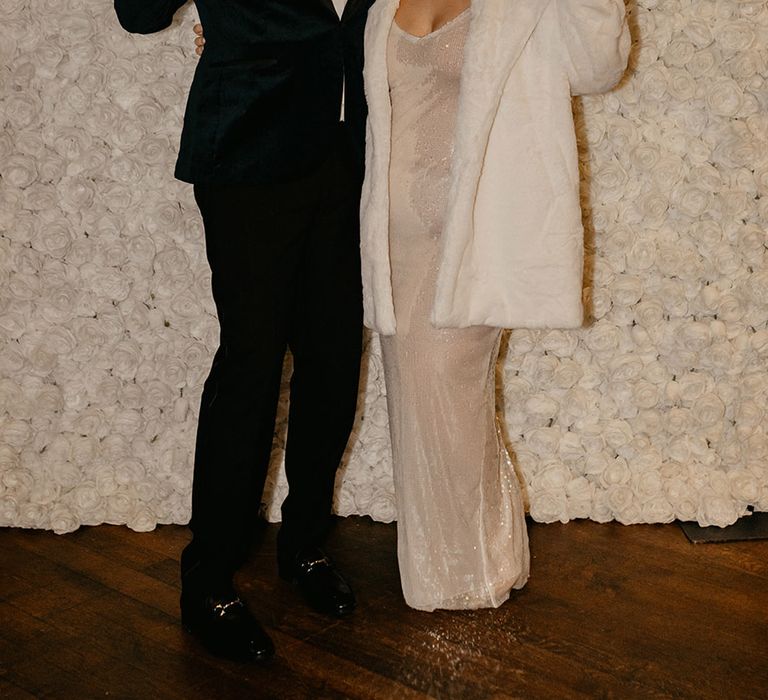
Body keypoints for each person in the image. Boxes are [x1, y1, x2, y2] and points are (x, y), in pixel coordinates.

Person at [113, 0, 375, 662]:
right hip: (249, 147)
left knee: (335, 355)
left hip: (350, 154)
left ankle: (304, 543)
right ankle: (209, 577)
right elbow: (140, 13)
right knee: (252, 364)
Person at [359, 0, 630, 610]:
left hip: (475, 238)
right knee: (417, 399)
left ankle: (461, 574)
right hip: (395, 241)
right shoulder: (379, 5)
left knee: (448, 390)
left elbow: (598, 68)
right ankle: (485, 552)